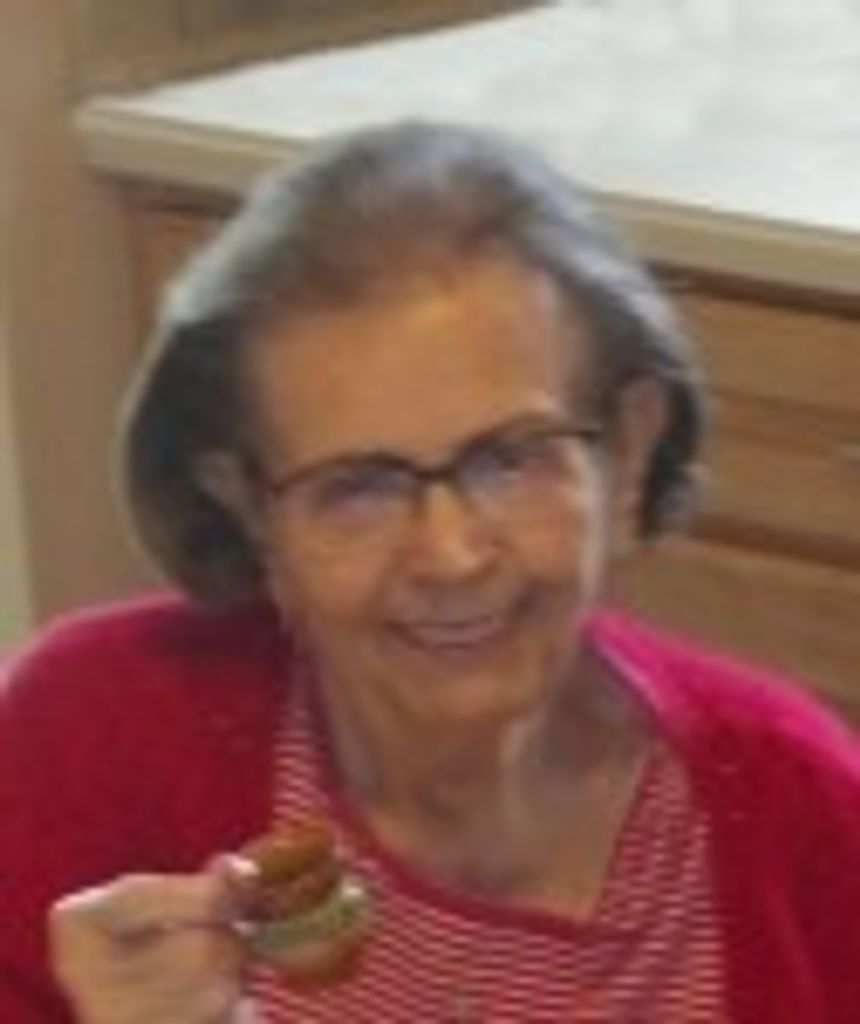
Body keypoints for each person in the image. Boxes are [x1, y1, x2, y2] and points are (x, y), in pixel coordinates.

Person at [1, 121, 858, 1024]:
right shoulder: (92, 738)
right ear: (251, 508)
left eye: (511, 459)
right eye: (357, 487)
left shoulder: (802, 817)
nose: (450, 556)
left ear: (629, 451)